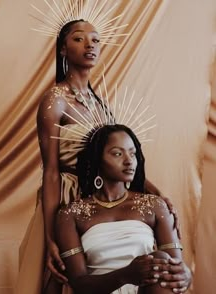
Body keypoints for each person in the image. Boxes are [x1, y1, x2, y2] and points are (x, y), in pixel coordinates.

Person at [15, 19, 181, 294]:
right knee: (63, 274)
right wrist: (49, 236)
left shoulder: (100, 104)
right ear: (63, 50)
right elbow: (52, 170)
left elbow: (119, 159)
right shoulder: (55, 100)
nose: (90, 44)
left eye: (95, 39)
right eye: (79, 39)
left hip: (101, 194)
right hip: (65, 196)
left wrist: (158, 192)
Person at [54, 124, 191, 294]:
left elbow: (176, 271)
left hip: (149, 290)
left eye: (132, 153)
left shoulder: (154, 206)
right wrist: (125, 275)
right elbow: (79, 284)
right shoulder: (70, 214)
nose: (129, 161)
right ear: (98, 159)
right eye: (118, 154)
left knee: (161, 259)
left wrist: (187, 275)